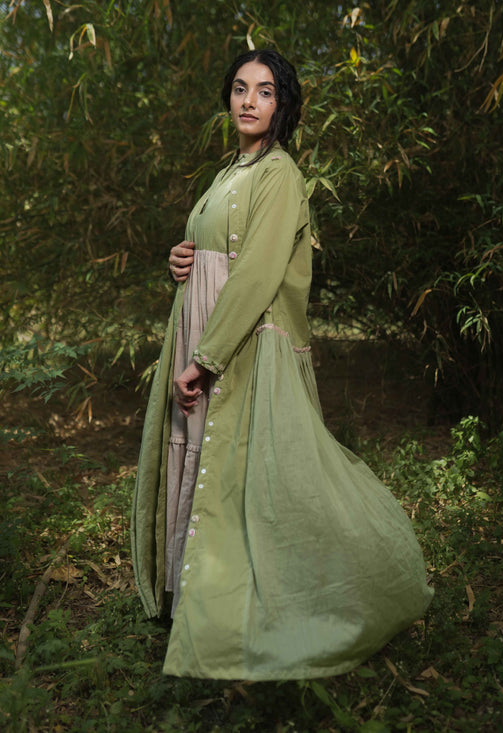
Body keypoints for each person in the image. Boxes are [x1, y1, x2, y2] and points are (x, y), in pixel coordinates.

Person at [131, 49, 433, 681]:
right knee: (203, 459)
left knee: (247, 475)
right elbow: (212, 248)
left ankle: (257, 613)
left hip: (240, 342)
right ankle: (195, 604)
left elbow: (260, 270)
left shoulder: (280, 172)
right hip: (201, 326)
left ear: (283, 105)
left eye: (265, 92)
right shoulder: (228, 172)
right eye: (240, 88)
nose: (249, 101)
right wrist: (181, 258)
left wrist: (208, 358)